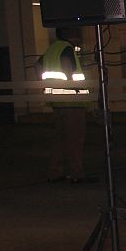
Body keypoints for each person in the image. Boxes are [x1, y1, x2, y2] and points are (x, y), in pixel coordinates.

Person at [41, 26, 91, 183]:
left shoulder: (51, 49)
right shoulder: (67, 48)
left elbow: (38, 66)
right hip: (72, 101)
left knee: (59, 139)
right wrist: (73, 87)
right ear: (69, 33)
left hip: (57, 101)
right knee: (74, 138)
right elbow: (67, 66)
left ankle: (55, 172)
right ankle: (77, 173)